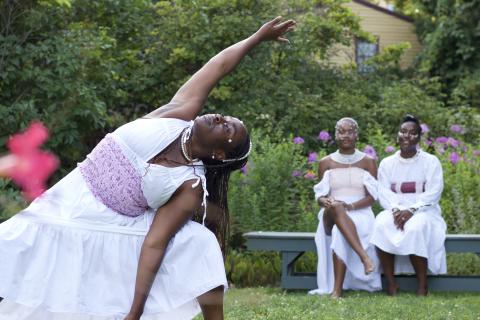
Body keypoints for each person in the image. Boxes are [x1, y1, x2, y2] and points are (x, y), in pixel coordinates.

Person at [0, 17, 296, 320]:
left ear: (219, 154)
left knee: (200, 243)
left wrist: (135, 312)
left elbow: (156, 243)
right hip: (71, 196)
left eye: (228, 128)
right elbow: (217, 67)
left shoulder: (190, 185)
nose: (220, 117)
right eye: (225, 116)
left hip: (117, 223)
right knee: (10, 245)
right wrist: (255, 39)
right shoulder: (178, 113)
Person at [371, 115, 447, 296]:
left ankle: (422, 285)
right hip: (395, 209)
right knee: (381, 224)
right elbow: (383, 192)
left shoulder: (430, 161)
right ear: (397, 135)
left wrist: (412, 210)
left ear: (419, 137)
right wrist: (397, 209)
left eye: (413, 133)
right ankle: (391, 283)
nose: (407, 136)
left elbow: (434, 192)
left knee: (415, 227)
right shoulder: (387, 163)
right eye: (403, 131)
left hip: (424, 210)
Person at [308, 118, 381, 298]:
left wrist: (350, 205)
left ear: (357, 134)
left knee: (339, 230)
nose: (345, 135)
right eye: (341, 131)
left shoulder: (368, 162)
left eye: (350, 131)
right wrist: (323, 201)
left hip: (360, 211)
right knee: (336, 207)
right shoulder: (326, 162)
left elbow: (372, 197)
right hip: (329, 213)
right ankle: (364, 258)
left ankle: (337, 290)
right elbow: (320, 195)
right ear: (335, 134)